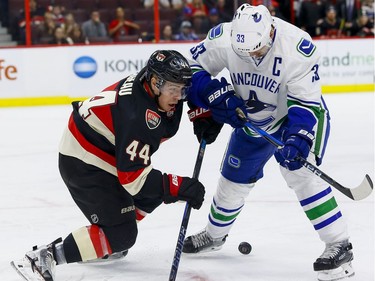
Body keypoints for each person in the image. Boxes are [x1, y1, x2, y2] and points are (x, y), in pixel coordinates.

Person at [182, 4, 354, 281]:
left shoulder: (296, 47)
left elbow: (306, 104)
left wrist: (298, 137)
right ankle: (215, 236)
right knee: (232, 180)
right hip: (251, 120)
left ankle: (339, 245)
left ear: (270, 31)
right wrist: (212, 94)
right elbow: (190, 68)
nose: (251, 56)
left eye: (257, 50)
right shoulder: (224, 37)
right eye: (244, 52)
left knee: (301, 175)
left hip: (294, 117)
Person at [11, 50, 205, 281]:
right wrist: (178, 186)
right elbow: (134, 181)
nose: (179, 97)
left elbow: (187, 94)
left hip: (103, 150)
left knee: (153, 192)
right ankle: (44, 256)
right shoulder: (138, 116)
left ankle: (107, 239)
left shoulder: (151, 89)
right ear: (155, 82)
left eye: (182, 90)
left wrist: (203, 113)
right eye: (174, 90)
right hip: (83, 160)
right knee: (124, 232)